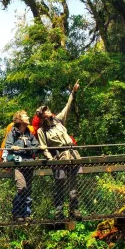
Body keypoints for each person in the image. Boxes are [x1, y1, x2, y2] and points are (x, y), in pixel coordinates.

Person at [36, 81, 83, 220]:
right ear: (42, 116)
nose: (48, 111)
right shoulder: (41, 131)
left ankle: (74, 211)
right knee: (60, 185)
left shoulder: (59, 120)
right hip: (59, 158)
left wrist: (73, 92)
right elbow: (44, 147)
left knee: (73, 186)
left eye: (48, 110)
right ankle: (59, 213)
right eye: (45, 111)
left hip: (72, 154)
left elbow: (68, 106)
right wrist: (51, 160)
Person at [4, 110, 39, 222]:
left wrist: (27, 149)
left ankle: (27, 214)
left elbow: (36, 146)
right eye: (25, 116)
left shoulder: (29, 133)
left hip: (29, 164)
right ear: (20, 120)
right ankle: (17, 214)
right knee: (22, 188)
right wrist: (13, 148)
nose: (28, 117)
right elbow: (8, 146)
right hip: (17, 164)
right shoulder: (12, 133)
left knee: (28, 190)